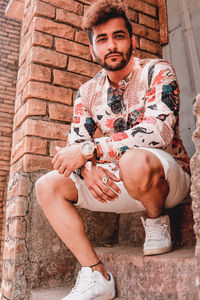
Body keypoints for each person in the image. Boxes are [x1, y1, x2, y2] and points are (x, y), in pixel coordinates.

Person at [36, 0, 190, 299]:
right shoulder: (87, 92)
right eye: (102, 39)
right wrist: (86, 166)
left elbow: (158, 131)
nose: (112, 45)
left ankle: (156, 220)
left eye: (119, 36)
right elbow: (75, 144)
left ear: (132, 40)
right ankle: (96, 274)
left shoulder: (158, 70)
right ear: (92, 49)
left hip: (166, 177)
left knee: (134, 160)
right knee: (47, 185)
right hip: (116, 181)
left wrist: (90, 151)